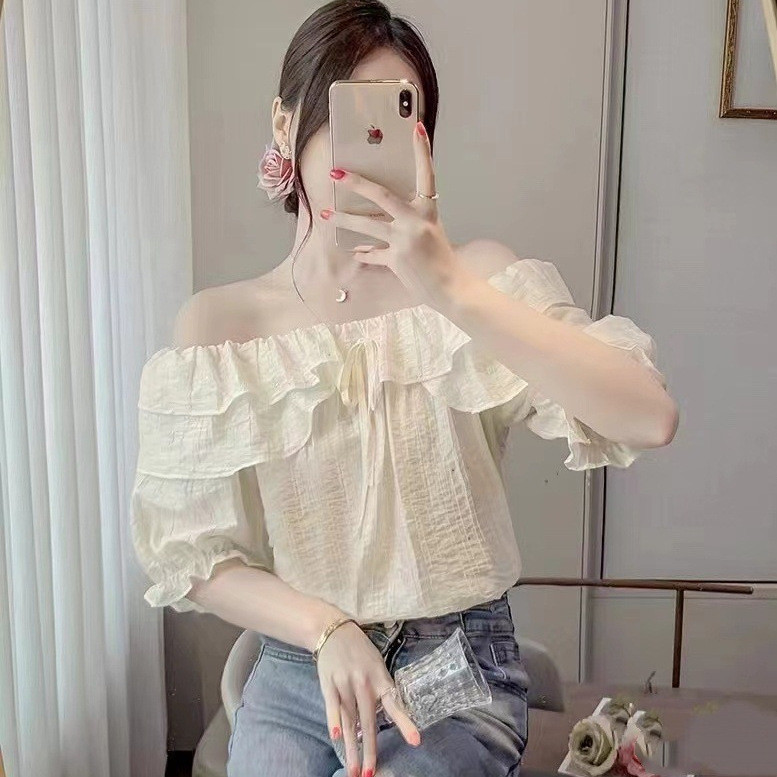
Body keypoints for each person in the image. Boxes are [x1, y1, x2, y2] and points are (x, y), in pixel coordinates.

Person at [129, 1, 679, 776]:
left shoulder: (478, 281)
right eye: (345, 116)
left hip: (456, 665)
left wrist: (451, 290)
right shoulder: (220, 326)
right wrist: (324, 628)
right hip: (300, 668)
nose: (367, 150)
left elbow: (648, 416)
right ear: (285, 125)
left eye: (396, 117)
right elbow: (194, 557)